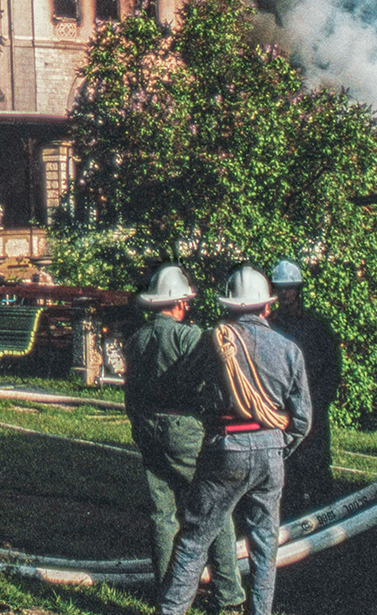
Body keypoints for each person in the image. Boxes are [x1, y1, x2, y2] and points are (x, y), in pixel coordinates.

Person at [159, 265, 310, 615]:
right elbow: (301, 419)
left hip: (225, 448)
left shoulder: (215, 342)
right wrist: (277, 446)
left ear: (227, 307)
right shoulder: (289, 350)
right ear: (267, 307)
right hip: (272, 452)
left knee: (195, 540)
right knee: (264, 545)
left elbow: (185, 386)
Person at [123, 264, 245, 614]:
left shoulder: (137, 340)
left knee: (162, 514)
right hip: (185, 429)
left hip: (147, 427)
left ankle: (168, 591)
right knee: (213, 509)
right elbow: (217, 377)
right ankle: (228, 595)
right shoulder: (188, 337)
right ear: (180, 303)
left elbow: (131, 393)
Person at [268, 258, 342, 514]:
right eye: (280, 288)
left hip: (313, 409)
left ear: (299, 290)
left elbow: (332, 369)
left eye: (289, 288)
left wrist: (317, 404)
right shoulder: (269, 326)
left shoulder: (317, 328)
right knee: (287, 470)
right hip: (281, 411)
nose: (285, 294)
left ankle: (327, 519)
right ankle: (291, 517)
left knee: (317, 466)